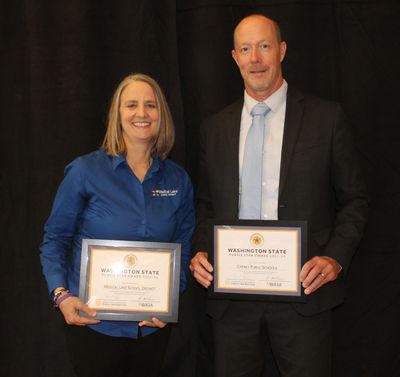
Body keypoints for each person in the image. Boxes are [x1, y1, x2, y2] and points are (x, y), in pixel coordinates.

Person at [189, 14, 368, 377]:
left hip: (304, 295)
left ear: (282, 50)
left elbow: (355, 199)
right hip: (233, 300)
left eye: (264, 46)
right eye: (245, 48)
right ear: (234, 57)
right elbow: (206, 205)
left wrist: (334, 259)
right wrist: (200, 250)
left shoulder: (326, 118)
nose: (255, 58)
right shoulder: (214, 129)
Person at [40, 73, 195, 377]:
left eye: (151, 105)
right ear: (117, 114)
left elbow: (184, 247)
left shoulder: (178, 179)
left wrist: (169, 300)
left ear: (161, 115)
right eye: (131, 105)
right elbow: (54, 239)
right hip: (93, 325)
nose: (141, 113)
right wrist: (61, 294)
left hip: (151, 329)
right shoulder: (85, 171)